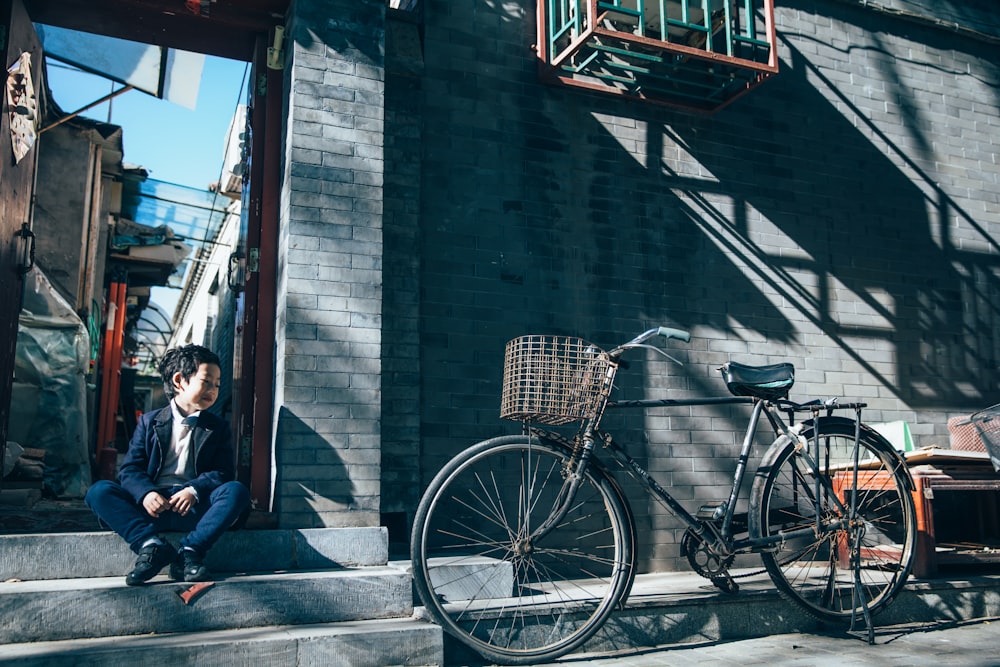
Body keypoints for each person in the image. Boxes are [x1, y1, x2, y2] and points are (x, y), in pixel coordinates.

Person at [85, 344, 250, 586]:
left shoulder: (217, 427)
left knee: (237, 491)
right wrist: (146, 493)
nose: (213, 390)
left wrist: (194, 490)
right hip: (153, 508)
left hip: (193, 508)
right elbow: (130, 470)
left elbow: (223, 472)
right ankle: (150, 546)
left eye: (216, 385)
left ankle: (190, 552)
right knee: (99, 491)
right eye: (206, 382)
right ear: (179, 381)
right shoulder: (150, 422)